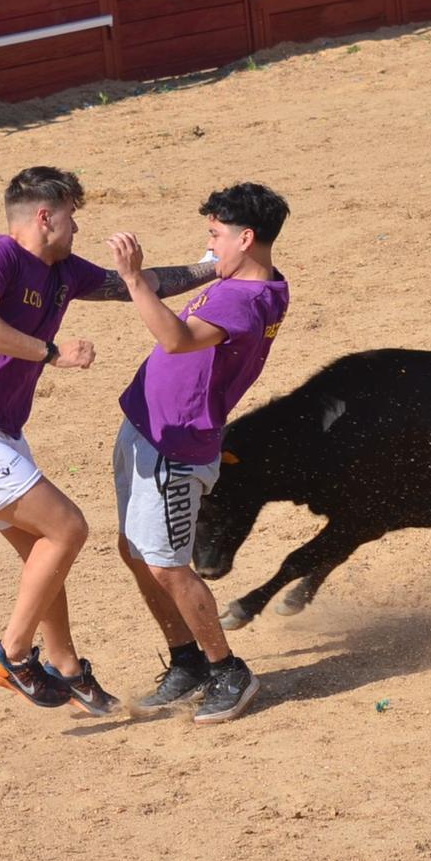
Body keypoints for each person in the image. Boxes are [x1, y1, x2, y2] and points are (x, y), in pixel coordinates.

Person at [0, 167, 219, 717]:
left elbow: (139, 286)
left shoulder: (63, 271)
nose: (77, 227)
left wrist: (212, 266)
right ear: (44, 216)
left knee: (41, 554)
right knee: (70, 527)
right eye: (72, 216)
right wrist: (51, 353)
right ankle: (11, 653)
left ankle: (66, 668)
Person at [109, 183, 291, 724]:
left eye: (215, 235)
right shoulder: (253, 282)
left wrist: (135, 280)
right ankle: (187, 661)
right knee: (136, 551)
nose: (208, 246)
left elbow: (176, 339)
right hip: (149, 426)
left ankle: (228, 670)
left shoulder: (243, 298)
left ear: (247, 237)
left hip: (175, 444)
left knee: (167, 564)